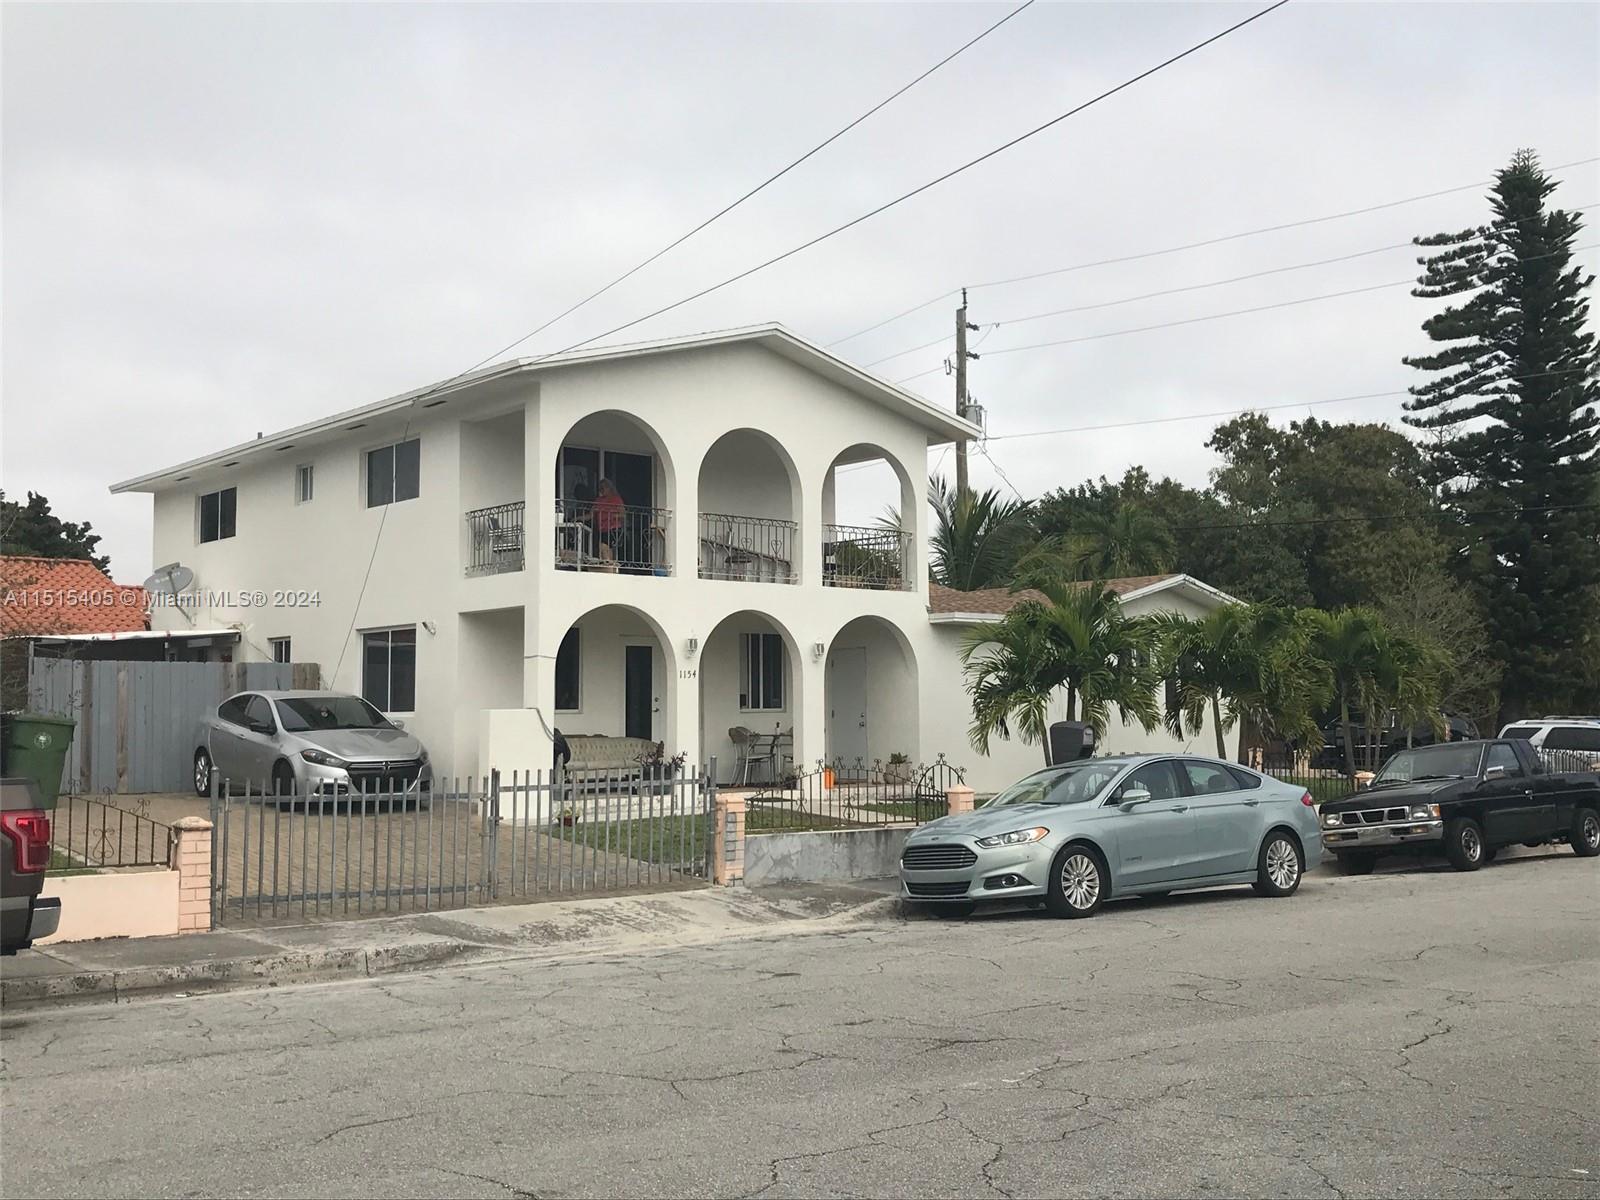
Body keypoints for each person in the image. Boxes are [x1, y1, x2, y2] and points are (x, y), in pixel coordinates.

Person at [593, 478, 625, 560]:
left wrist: (611, 516)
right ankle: (610, 568)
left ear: (609, 488)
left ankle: (609, 568)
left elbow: (622, 514)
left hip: (614, 529)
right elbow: (591, 514)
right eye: (600, 488)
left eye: (604, 488)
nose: (602, 490)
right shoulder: (598, 501)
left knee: (605, 548)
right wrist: (578, 518)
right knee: (604, 549)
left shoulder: (616, 499)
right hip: (602, 530)